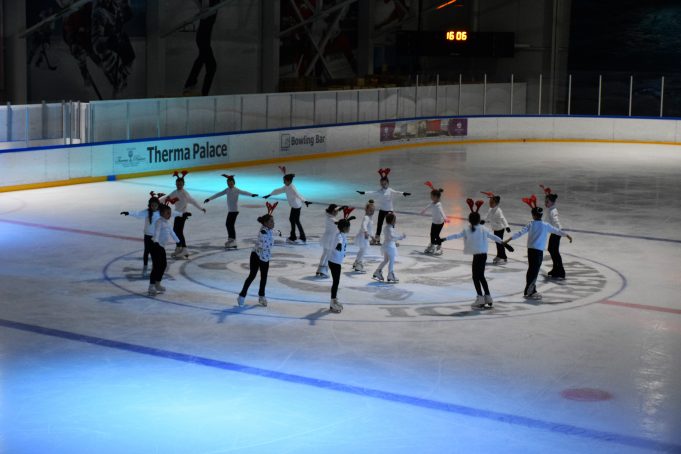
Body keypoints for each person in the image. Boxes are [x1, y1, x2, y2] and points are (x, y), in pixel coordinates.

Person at [437, 199, 508, 309]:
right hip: (483, 255)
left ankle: (480, 298)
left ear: (470, 221)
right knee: (481, 276)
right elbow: (494, 237)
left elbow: (456, 235)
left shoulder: (468, 230)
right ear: (479, 220)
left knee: (476, 277)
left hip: (477, 255)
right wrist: (504, 243)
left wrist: (443, 239)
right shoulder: (484, 228)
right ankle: (488, 296)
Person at [504, 195, 573, 300]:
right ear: (541, 215)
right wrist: (566, 235)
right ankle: (531, 291)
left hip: (530, 250)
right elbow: (557, 230)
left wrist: (509, 239)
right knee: (534, 271)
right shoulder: (545, 225)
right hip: (538, 251)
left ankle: (529, 289)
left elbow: (520, 233)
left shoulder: (531, 224)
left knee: (531, 269)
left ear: (533, 215)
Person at [120, 191, 185, 276]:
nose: (154, 207)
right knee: (146, 252)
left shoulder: (161, 212)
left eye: (155, 205)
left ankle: (155, 268)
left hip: (157, 237)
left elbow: (171, 213)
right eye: (152, 205)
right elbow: (138, 213)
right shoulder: (147, 212)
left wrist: (182, 214)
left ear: (158, 205)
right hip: (147, 236)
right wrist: (128, 213)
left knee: (155, 254)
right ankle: (145, 268)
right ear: (149, 205)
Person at [237, 202, 279, 307]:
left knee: (263, 277)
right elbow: (267, 245)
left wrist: (278, 233)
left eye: (273, 221)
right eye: (271, 221)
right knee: (252, 275)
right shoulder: (263, 233)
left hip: (264, 257)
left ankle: (261, 296)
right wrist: (275, 237)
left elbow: (274, 231)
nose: (273, 223)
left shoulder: (268, 229)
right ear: (265, 223)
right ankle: (242, 295)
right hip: (256, 256)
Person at [204, 173, 258, 248]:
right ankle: (231, 239)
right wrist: (209, 199)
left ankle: (233, 241)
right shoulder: (227, 190)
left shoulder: (236, 190)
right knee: (229, 224)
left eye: (231, 183)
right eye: (228, 183)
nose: (230, 184)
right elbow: (218, 194)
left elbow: (244, 192)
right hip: (231, 211)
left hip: (235, 211)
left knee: (230, 225)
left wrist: (251, 194)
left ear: (234, 183)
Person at [357, 168, 410, 243]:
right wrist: (364, 192)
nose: (383, 185)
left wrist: (403, 193)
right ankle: (377, 238)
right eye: (382, 184)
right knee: (379, 225)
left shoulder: (390, 190)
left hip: (389, 211)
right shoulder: (380, 191)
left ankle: (393, 239)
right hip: (382, 210)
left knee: (391, 225)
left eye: (384, 184)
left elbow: (397, 192)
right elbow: (372, 192)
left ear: (388, 183)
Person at [163, 170, 206, 259]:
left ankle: (184, 249)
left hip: (183, 214)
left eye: (180, 184)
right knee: (175, 231)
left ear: (183, 184)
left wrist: (201, 208)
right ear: (176, 184)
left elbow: (193, 201)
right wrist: (157, 201)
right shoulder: (175, 192)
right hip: (177, 214)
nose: (179, 185)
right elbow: (167, 198)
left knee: (179, 232)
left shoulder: (184, 193)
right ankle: (179, 247)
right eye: (177, 184)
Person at [263, 166, 311, 244]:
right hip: (294, 206)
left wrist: (305, 201)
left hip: (297, 206)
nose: (283, 182)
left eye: (284, 181)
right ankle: (294, 236)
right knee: (292, 220)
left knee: (296, 221)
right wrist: (270, 194)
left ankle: (301, 236)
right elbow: (278, 190)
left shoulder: (292, 188)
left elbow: (298, 195)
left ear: (288, 181)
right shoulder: (286, 186)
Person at [148, 204, 184, 296]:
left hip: (161, 247)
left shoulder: (167, 223)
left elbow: (172, 233)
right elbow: (157, 232)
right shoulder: (159, 222)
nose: (169, 214)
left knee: (163, 265)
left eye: (170, 213)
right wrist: (156, 241)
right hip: (155, 246)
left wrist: (178, 242)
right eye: (167, 213)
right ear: (162, 214)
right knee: (156, 266)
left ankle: (157, 284)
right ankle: (151, 286)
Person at [328, 209, 355, 313]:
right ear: (344, 228)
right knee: (336, 282)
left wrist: (347, 220)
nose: (349, 228)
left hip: (334, 260)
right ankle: (332, 302)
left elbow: (340, 227)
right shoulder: (339, 235)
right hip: (335, 262)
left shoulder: (341, 232)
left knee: (336, 282)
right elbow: (339, 239)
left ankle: (333, 300)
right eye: (348, 227)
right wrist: (339, 244)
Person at [372, 212, 406, 283]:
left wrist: (395, 242)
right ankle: (390, 274)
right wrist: (401, 237)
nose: (395, 221)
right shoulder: (390, 228)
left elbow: (389, 237)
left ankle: (377, 271)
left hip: (386, 246)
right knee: (391, 260)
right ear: (393, 221)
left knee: (386, 260)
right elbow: (392, 237)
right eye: (395, 220)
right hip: (390, 247)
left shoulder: (386, 227)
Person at [541, 185, 566, 279]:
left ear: (552, 202)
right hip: (555, 232)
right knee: (552, 250)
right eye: (545, 201)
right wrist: (546, 192)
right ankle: (556, 269)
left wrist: (560, 231)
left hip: (557, 232)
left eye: (547, 201)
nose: (545, 203)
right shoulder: (551, 208)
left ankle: (560, 270)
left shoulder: (553, 211)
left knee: (554, 251)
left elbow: (556, 222)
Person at [481, 191, 511, 264]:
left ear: (496, 203)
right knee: (497, 243)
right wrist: (483, 220)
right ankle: (499, 255)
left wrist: (507, 226)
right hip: (495, 228)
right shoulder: (490, 209)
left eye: (491, 202)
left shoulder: (498, 211)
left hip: (500, 229)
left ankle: (503, 257)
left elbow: (503, 219)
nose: (490, 203)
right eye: (489, 202)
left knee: (499, 243)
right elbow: (487, 215)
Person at [317, 204, 345, 278]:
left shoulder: (328, 216)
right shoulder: (332, 219)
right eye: (336, 211)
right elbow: (337, 222)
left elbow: (335, 210)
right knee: (328, 255)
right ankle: (323, 271)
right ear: (333, 211)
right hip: (330, 239)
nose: (337, 213)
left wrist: (340, 208)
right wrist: (345, 220)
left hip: (326, 237)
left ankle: (319, 269)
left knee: (325, 253)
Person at [420, 182, 447, 255]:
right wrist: (423, 211)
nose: (430, 197)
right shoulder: (433, 203)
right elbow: (428, 206)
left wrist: (445, 218)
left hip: (440, 223)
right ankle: (432, 245)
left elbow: (442, 212)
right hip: (434, 222)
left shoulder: (438, 205)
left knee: (436, 235)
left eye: (432, 196)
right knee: (432, 234)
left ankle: (439, 247)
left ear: (436, 197)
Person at [352, 200, 376, 273]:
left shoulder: (370, 218)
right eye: (370, 210)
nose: (372, 212)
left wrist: (372, 237)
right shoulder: (366, 217)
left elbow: (370, 229)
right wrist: (365, 232)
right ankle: (359, 265)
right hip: (363, 236)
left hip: (364, 236)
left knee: (362, 250)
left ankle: (356, 262)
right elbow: (364, 225)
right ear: (366, 210)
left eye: (373, 210)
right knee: (363, 251)